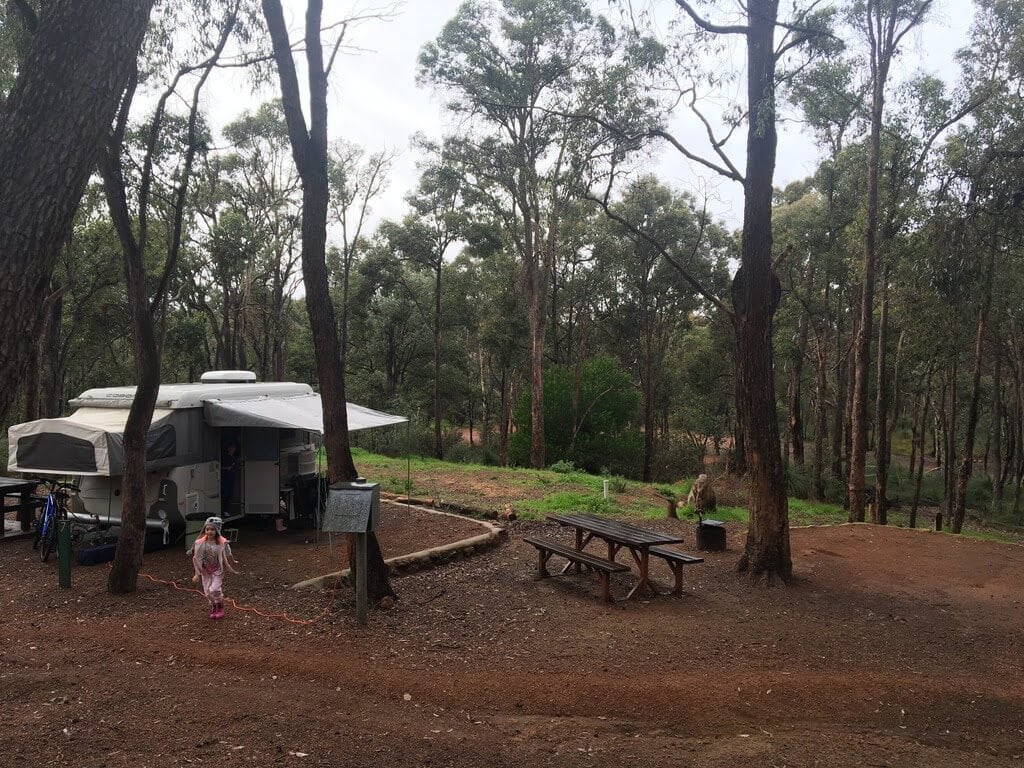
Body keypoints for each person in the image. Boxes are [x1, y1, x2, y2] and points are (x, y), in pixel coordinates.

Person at [190, 516, 239, 619]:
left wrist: (232, 562)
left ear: (217, 530)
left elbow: (229, 554)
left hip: (217, 570)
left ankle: (220, 604)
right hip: (206, 571)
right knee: (208, 593)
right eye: (207, 529)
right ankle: (214, 606)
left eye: (212, 529)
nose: (209, 532)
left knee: (215, 589)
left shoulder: (222, 543)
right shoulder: (200, 543)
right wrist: (197, 573)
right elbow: (196, 558)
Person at [221, 442, 239, 515]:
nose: (233, 450)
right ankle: (224, 510)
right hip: (225, 478)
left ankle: (227, 510)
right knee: (225, 494)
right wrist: (226, 468)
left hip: (231, 478)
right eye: (231, 448)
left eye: (234, 448)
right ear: (228, 449)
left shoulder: (233, 457)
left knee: (230, 495)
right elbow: (220, 467)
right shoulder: (224, 457)